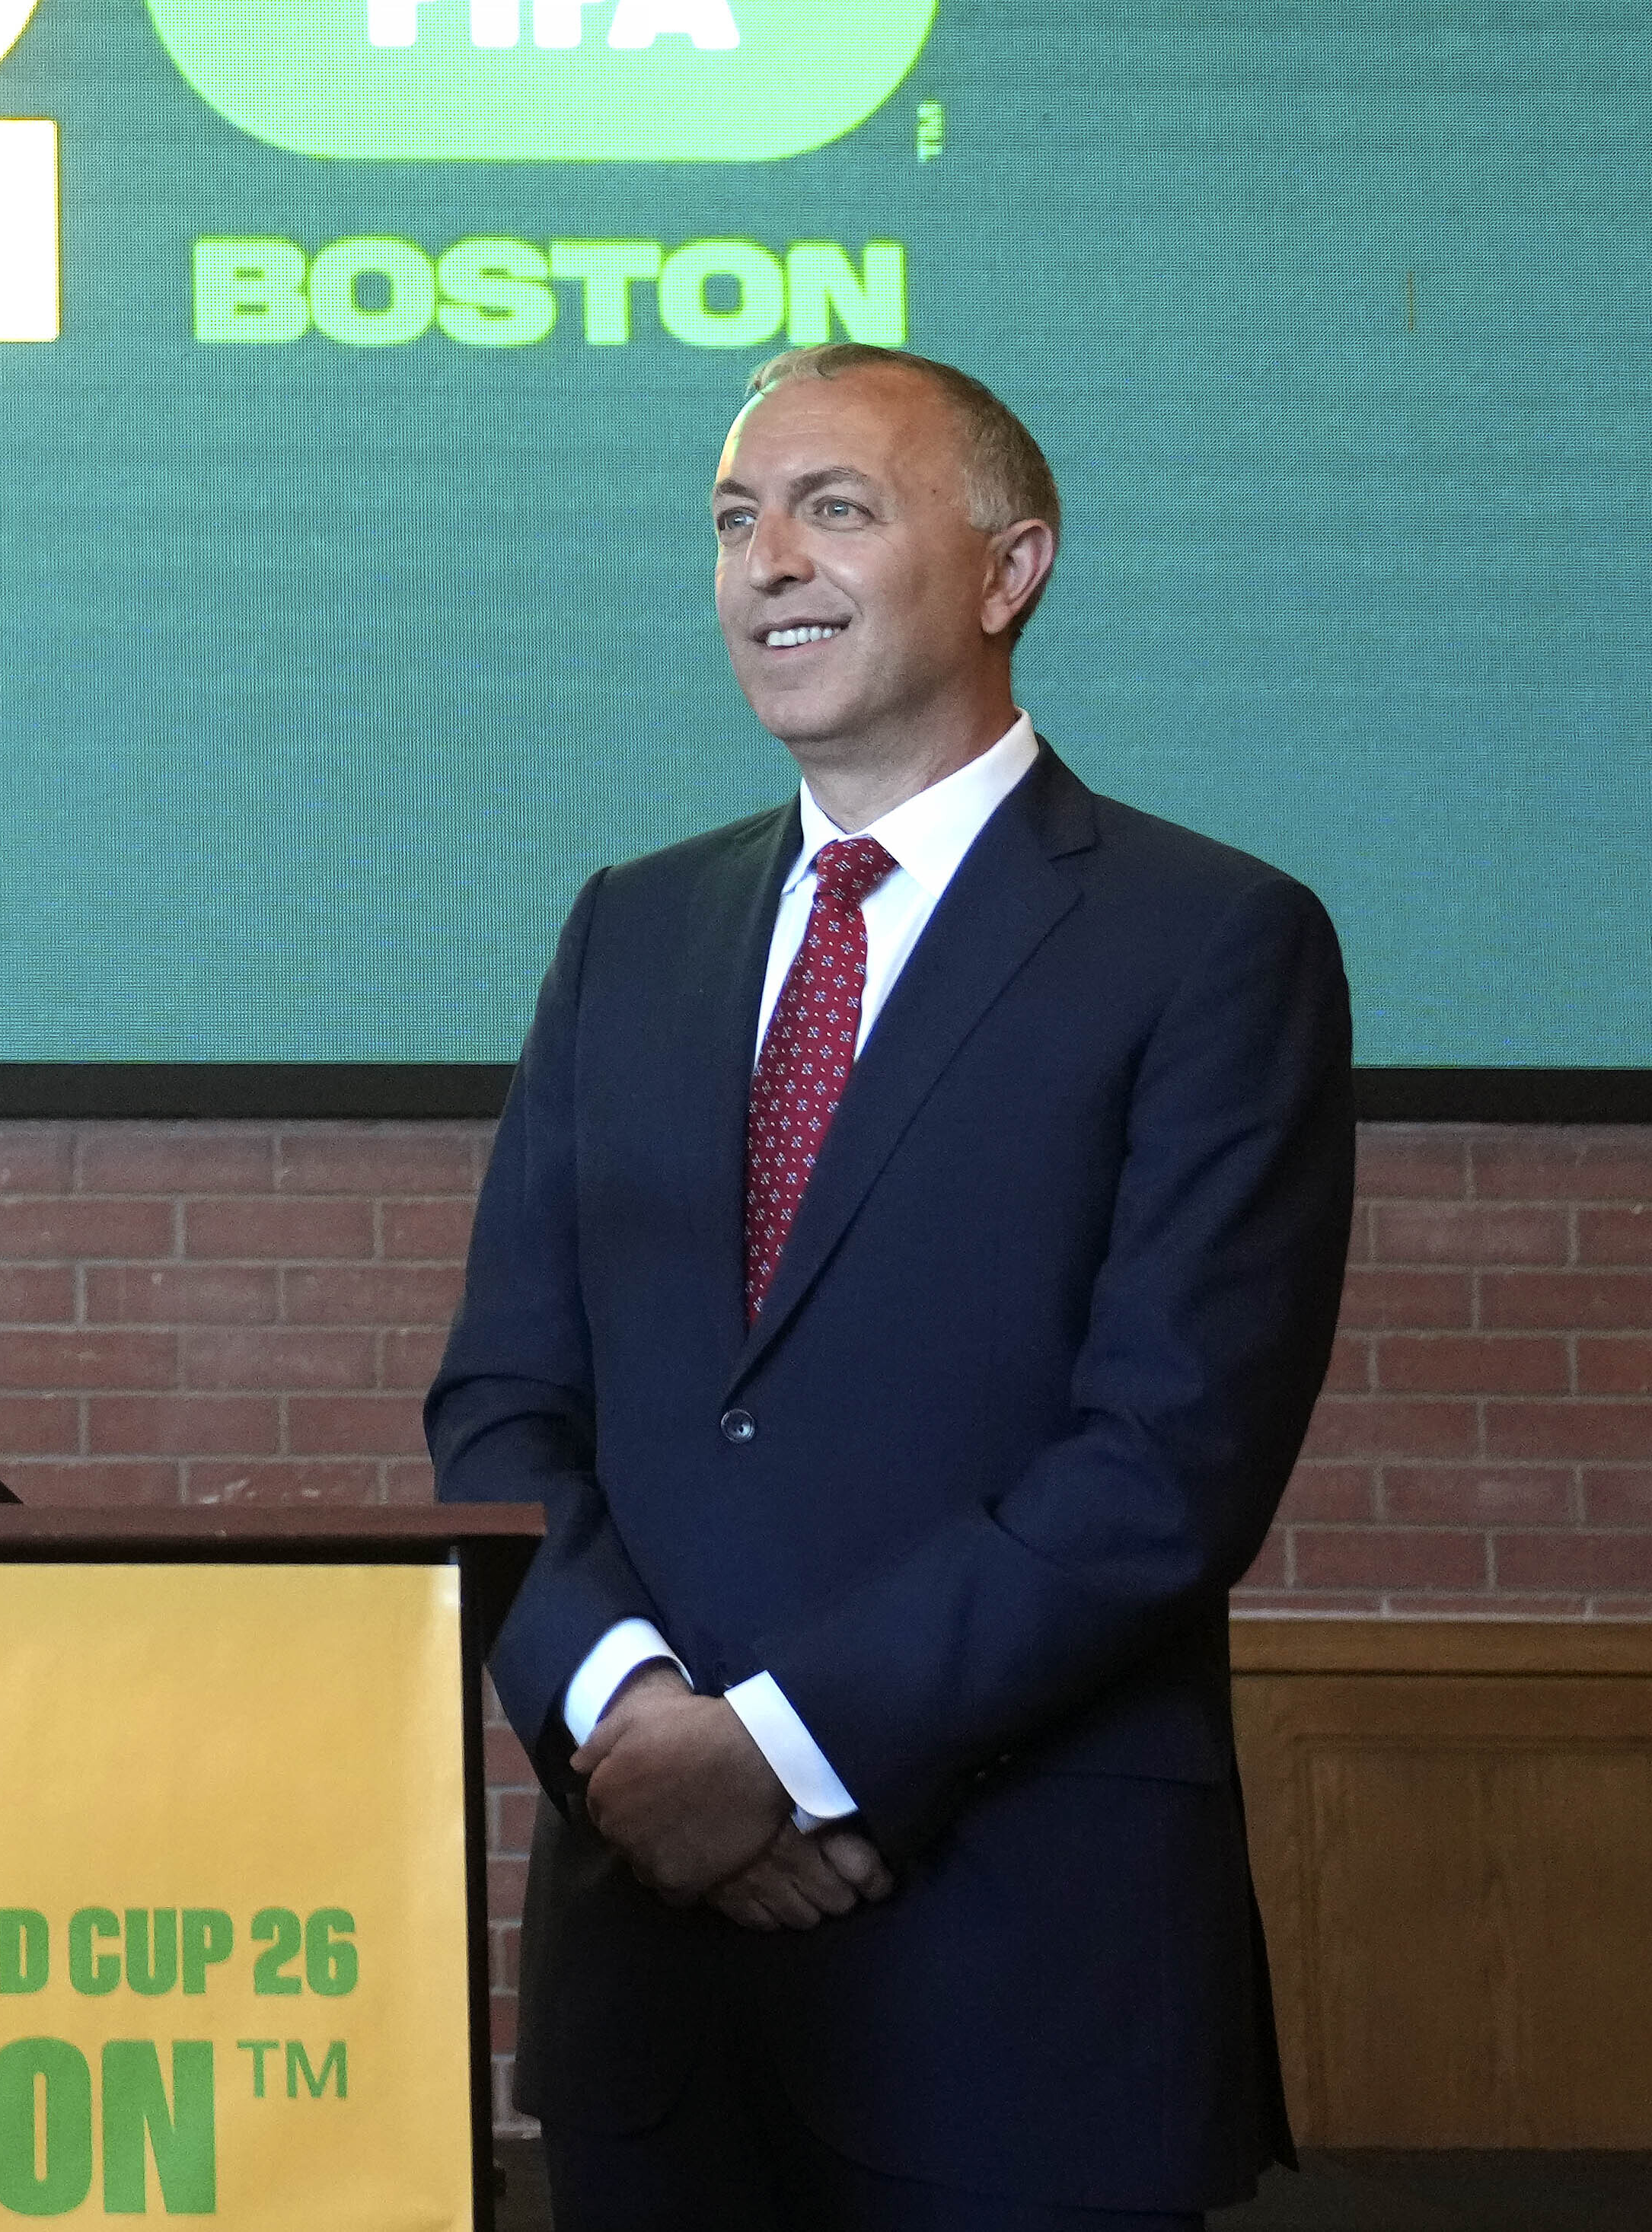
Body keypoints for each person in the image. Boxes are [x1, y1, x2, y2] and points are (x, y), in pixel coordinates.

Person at [427, 346, 1355, 2230]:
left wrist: (769, 1756)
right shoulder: (627, 929)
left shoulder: (1211, 942)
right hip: (654, 2010)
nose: (768, 557)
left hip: (1016, 1991)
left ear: (1010, 569)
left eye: (834, 506)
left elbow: (1165, 1464)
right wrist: (635, 1733)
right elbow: (502, 1404)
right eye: (730, 519)